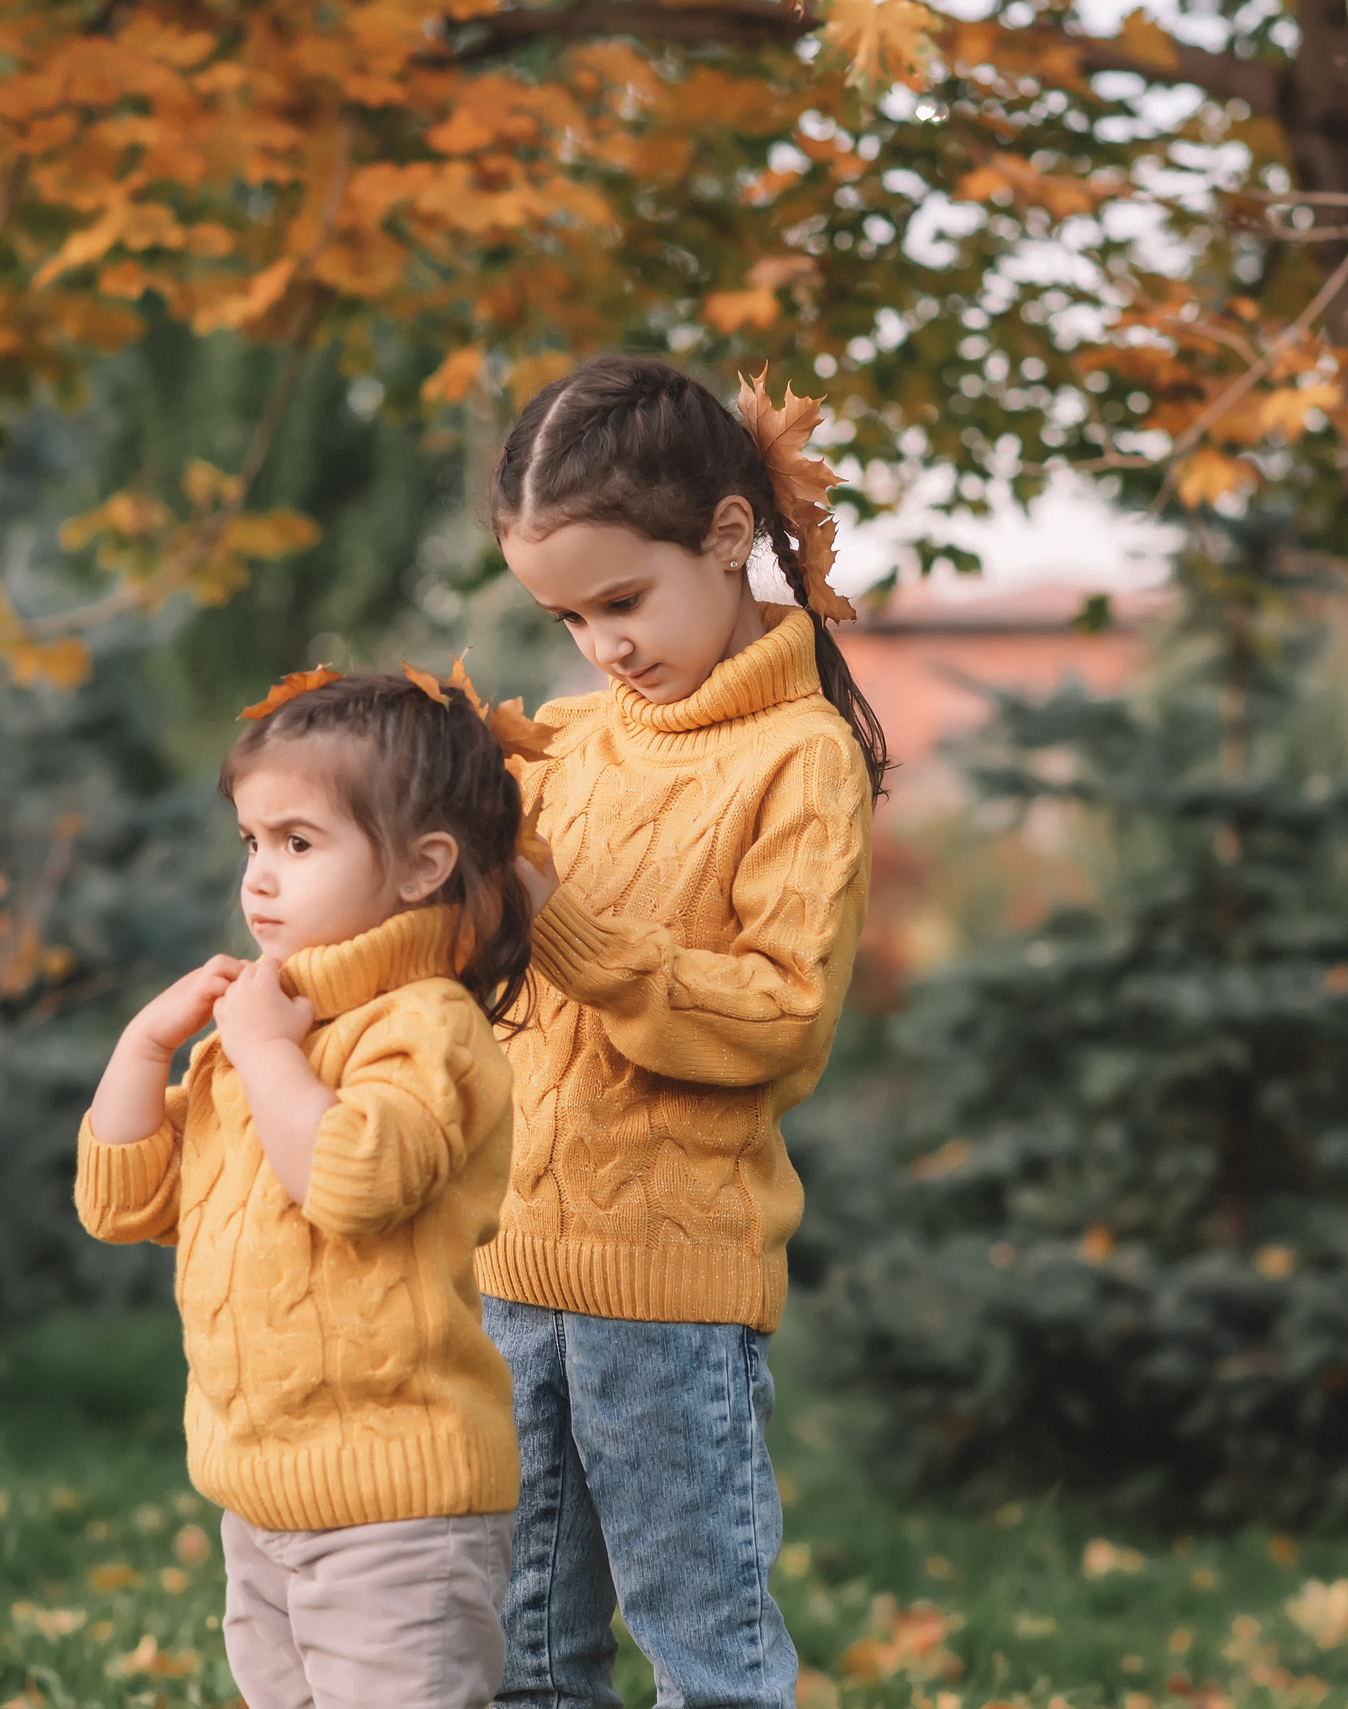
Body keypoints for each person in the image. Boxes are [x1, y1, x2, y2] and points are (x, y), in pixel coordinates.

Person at [480, 354, 888, 1709]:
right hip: (502, 1263)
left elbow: (776, 1019)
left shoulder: (800, 759)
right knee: (523, 1644)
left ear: (727, 536)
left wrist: (571, 931)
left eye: (623, 600)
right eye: (568, 618)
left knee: (704, 1649)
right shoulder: (570, 743)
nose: (604, 646)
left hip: (667, 1289)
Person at [74, 667, 542, 1709]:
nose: (259, 877)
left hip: (399, 1510)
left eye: (298, 842)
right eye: (250, 841)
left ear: (422, 866)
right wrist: (146, 1046)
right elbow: (125, 1201)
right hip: (259, 1499)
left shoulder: (424, 1026)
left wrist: (263, 1052)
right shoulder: (269, 1022)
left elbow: (349, 1179)